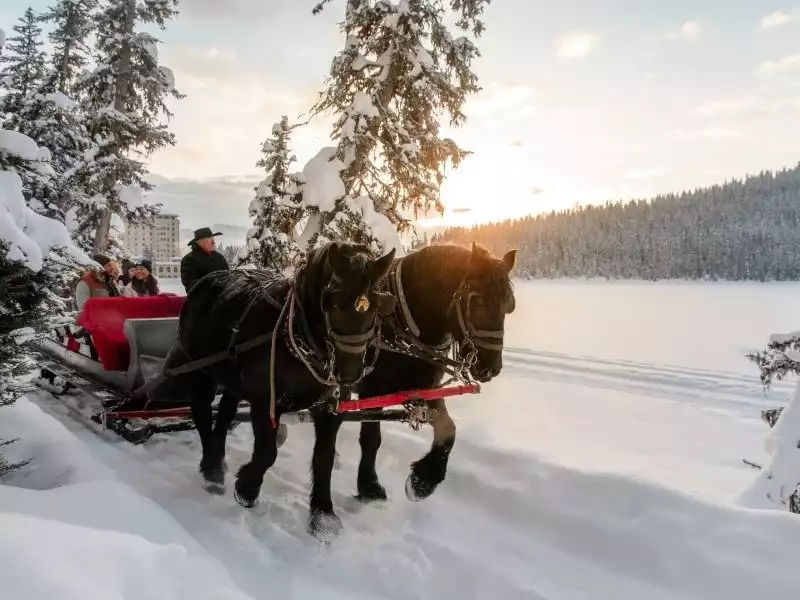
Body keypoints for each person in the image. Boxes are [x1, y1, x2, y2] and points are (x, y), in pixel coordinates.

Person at [180, 226, 229, 293]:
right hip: (201, 301)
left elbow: (228, 276)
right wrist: (213, 282)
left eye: (213, 237)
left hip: (221, 299)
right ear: (201, 241)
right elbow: (190, 285)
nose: (213, 240)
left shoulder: (219, 257)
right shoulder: (189, 259)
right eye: (209, 238)